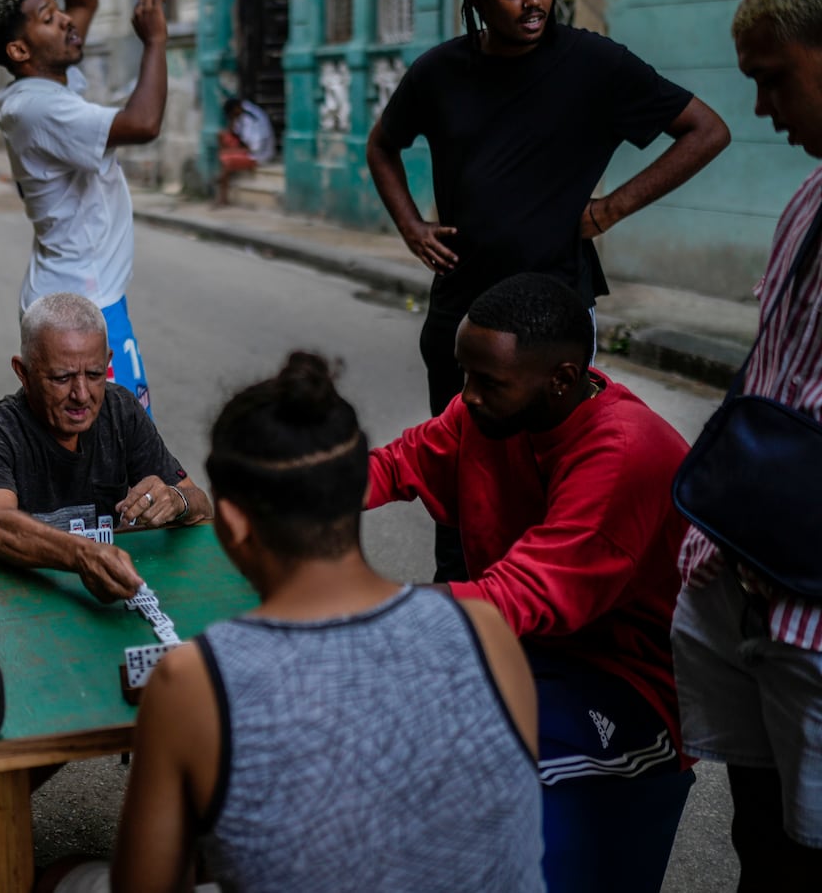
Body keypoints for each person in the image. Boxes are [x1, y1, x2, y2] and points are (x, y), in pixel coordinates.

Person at [44, 352, 542, 893]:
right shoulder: (485, 631)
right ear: (356, 495)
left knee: (61, 877)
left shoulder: (194, 683)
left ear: (230, 525)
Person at [366, 0, 729, 583]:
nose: (534, 2)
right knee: (460, 471)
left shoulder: (595, 65)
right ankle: (464, 602)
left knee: (552, 470)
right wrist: (412, 227)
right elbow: (382, 144)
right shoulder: (441, 72)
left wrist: (610, 207)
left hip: (553, 321)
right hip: (461, 315)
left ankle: (543, 608)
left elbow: (706, 130)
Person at [366, 272, 694, 893]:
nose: (466, 397)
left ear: (563, 379)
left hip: (628, 685)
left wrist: (354, 608)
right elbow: (395, 464)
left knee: (480, 772)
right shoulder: (482, 414)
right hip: (528, 652)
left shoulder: (623, 454)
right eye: (464, 376)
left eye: (487, 381)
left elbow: (518, 597)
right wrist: (287, 492)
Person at [671, 0, 822, 892]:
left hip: (812, 612)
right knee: (761, 838)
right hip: (754, 597)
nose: (763, 110)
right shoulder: (807, 198)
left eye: (776, 79)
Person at [0, 0, 168, 417]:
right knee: (118, 440)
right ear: (20, 51)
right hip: (82, 304)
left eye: (57, 10)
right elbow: (142, 124)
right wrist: (154, 44)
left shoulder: (47, 84)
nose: (65, 20)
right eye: (47, 17)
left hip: (85, 296)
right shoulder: (40, 107)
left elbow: (84, 3)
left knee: (113, 438)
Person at [0, 293, 210, 603]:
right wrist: (84, 554)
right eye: (62, 377)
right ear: (23, 372)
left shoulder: (121, 412)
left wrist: (176, 500)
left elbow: (201, 504)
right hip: (6, 600)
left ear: (108, 364)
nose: (81, 395)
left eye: (94, 374)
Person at [211, 97, 273, 207]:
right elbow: (236, 133)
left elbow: (253, 148)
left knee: (226, 160)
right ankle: (222, 177)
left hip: (257, 155)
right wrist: (232, 122)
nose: (233, 117)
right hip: (248, 146)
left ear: (236, 109)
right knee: (221, 137)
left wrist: (232, 151)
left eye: (232, 115)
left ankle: (222, 197)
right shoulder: (242, 113)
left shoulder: (251, 119)